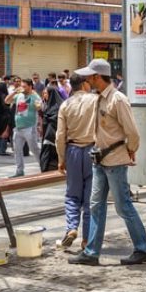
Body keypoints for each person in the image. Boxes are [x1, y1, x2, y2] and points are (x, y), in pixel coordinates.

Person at [68, 58, 146, 267]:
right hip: (99, 159)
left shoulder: (118, 99)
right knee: (96, 205)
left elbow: (132, 132)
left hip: (115, 161)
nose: (86, 79)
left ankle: (143, 249)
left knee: (123, 206)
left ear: (98, 77)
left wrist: (131, 149)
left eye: (90, 76)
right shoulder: (98, 98)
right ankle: (91, 252)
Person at [57, 73, 98, 251]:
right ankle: (87, 239)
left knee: (72, 195)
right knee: (90, 198)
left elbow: (60, 135)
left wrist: (61, 158)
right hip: (92, 151)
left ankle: (72, 228)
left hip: (72, 150)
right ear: (84, 84)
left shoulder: (65, 105)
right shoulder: (96, 100)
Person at [7, 78, 42, 177]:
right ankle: (19, 171)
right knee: (17, 150)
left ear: (30, 86)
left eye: (24, 86)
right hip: (18, 128)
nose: (22, 88)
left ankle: (43, 166)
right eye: (21, 86)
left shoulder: (35, 96)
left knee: (34, 149)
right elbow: (7, 101)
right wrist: (14, 92)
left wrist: (38, 106)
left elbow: (40, 106)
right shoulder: (19, 95)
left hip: (29, 128)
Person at [39, 86, 64, 172]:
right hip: (47, 135)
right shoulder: (47, 105)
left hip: (51, 137)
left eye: (45, 93)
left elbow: (54, 120)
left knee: (48, 158)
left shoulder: (57, 107)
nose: (44, 95)